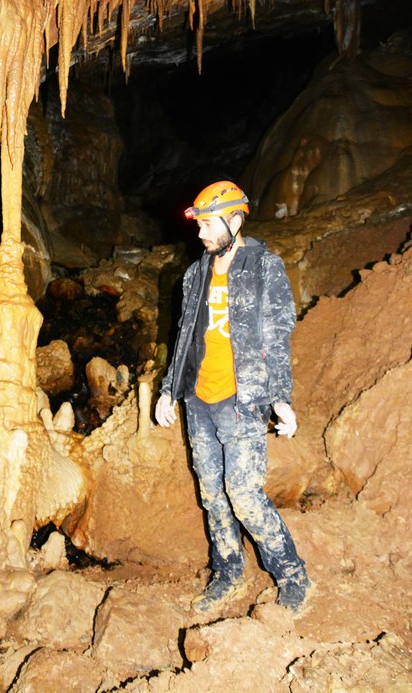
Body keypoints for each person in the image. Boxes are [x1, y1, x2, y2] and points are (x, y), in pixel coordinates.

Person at [155, 180, 310, 614]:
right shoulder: (195, 273)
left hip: (241, 402)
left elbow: (277, 335)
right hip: (198, 401)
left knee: (243, 493)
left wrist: (280, 398)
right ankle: (228, 574)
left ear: (235, 220)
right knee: (212, 494)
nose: (201, 233)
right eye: (200, 224)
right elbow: (184, 335)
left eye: (208, 224)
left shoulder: (264, 266)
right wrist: (169, 390)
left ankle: (292, 573)